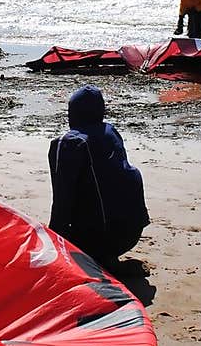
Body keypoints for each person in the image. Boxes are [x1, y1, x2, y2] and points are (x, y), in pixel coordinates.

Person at [47, 85, 150, 274]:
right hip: (132, 232)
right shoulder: (110, 132)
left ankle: (101, 261)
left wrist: (53, 244)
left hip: (101, 236)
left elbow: (62, 201)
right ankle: (107, 258)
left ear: (72, 113)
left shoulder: (69, 143)